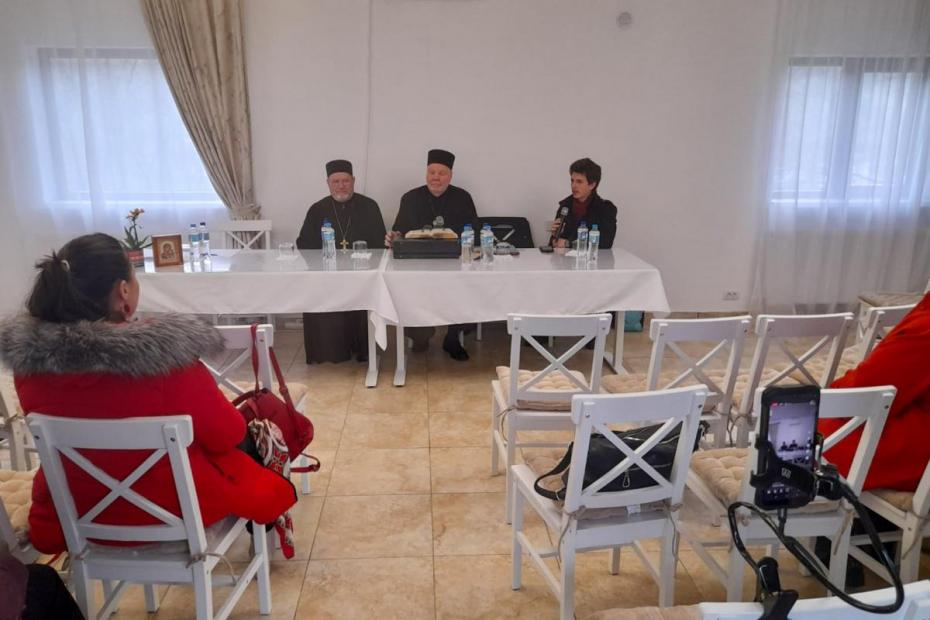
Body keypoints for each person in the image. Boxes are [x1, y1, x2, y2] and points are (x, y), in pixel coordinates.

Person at [0, 233, 297, 555]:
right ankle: (267, 534)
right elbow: (229, 433)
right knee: (255, 437)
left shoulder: (30, 370)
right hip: (175, 510)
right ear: (123, 291)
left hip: (79, 512)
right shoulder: (165, 363)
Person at [820, 292, 930, 491]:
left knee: (793, 429)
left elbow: (858, 396)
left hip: (916, 454)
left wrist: (836, 386)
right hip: (915, 430)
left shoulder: (924, 328)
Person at [384, 149, 478, 361]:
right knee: (409, 290)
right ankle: (420, 335)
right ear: (426, 174)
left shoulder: (463, 197)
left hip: (453, 264)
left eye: (441, 173)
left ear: (450, 176)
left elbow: (473, 232)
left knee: (467, 286)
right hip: (418, 264)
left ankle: (453, 338)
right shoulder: (410, 198)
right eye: (432, 172)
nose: (436, 177)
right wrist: (394, 236)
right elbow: (399, 232)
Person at [296, 159, 386, 363]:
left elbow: (380, 244)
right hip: (327, 275)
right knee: (315, 289)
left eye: (345, 181)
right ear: (328, 183)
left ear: (353, 180)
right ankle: (329, 351)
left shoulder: (369, 206)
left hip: (362, 273)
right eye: (336, 182)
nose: (341, 186)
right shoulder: (317, 209)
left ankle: (365, 350)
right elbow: (304, 243)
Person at [549, 158, 618, 249]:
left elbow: (605, 242)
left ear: (592, 185)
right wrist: (555, 238)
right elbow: (553, 244)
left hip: (592, 257)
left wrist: (569, 243)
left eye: (579, 181)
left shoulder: (606, 209)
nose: (573, 185)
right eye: (572, 180)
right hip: (563, 257)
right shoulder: (565, 206)